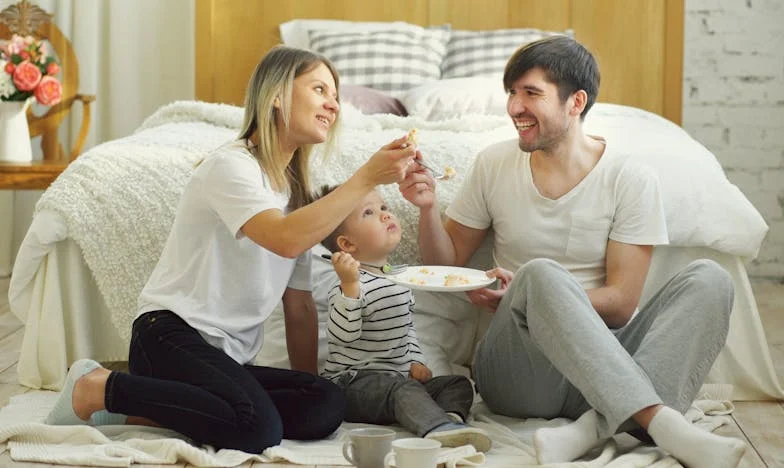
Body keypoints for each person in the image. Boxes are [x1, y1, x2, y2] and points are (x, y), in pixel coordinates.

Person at [43, 45, 419, 454]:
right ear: (276, 95)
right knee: (258, 429)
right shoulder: (232, 166)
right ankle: (97, 387)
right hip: (169, 336)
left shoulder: (298, 198)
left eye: (336, 95)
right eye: (319, 89)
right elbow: (283, 237)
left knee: (326, 405)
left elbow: (300, 308)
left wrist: (306, 385)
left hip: (225, 359)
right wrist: (366, 178)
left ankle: (155, 409)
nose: (333, 104)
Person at [399, 36, 746, 468]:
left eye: (531, 93)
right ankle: (660, 421)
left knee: (711, 280)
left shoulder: (629, 178)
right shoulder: (493, 164)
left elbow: (620, 306)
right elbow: (446, 266)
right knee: (540, 274)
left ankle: (590, 429)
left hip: (602, 367)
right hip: (519, 373)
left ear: (575, 102)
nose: (514, 107)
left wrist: (543, 293)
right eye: (511, 92)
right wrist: (428, 209)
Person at [318, 184, 491, 452]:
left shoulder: (399, 279)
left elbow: (405, 329)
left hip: (397, 383)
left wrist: (415, 360)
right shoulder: (347, 286)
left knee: (457, 383)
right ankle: (438, 427)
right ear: (347, 244)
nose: (385, 215)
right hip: (353, 385)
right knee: (401, 389)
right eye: (369, 213)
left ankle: (449, 421)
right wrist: (350, 289)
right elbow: (343, 336)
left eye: (384, 208)